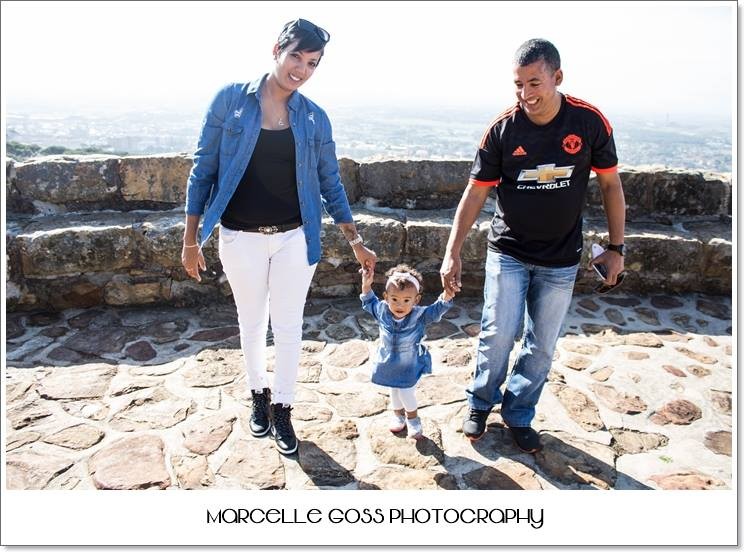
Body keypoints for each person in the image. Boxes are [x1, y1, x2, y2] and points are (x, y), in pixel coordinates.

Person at [181, 18, 376, 456]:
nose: (301, 70)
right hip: (240, 237)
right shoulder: (230, 100)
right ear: (277, 50)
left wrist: (355, 240)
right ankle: (259, 394)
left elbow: (330, 183)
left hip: (295, 239)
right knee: (251, 324)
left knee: (288, 328)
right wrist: (190, 241)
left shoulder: (314, 118)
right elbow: (202, 170)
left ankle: (283, 407)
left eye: (313, 63)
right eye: (296, 57)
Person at [439, 38, 626, 453]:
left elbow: (611, 185)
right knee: (498, 334)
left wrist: (617, 248)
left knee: (541, 345)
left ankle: (519, 413)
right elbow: (475, 192)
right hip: (509, 251)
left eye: (534, 82)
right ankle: (480, 403)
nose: (525, 93)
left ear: (557, 77)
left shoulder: (589, 122)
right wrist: (452, 252)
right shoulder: (503, 129)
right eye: (518, 84)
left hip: (561, 257)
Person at [360, 264, 455, 440]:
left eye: (406, 300)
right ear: (386, 297)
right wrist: (366, 285)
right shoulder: (381, 310)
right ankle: (398, 416)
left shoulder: (419, 315)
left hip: (409, 363)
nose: (400, 305)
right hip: (388, 362)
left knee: (405, 391)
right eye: (394, 299)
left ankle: (413, 420)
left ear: (416, 300)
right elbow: (369, 301)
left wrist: (446, 296)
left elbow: (435, 311)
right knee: (394, 390)